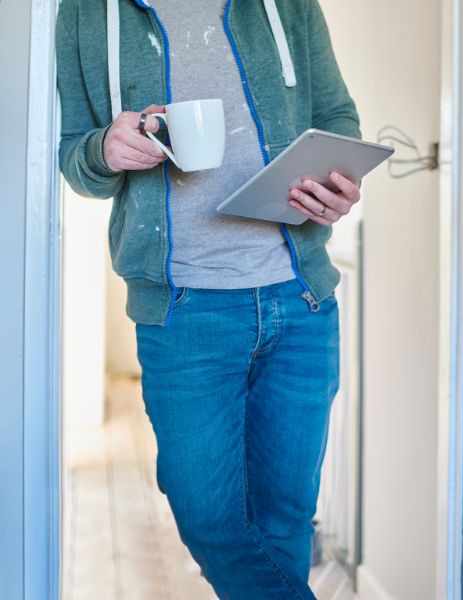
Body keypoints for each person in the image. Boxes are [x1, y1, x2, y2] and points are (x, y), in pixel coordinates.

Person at [56, 1, 360, 597]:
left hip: (301, 301)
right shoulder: (86, 14)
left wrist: (337, 184)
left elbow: (337, 118)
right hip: (184, 312)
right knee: (211, 520)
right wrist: (103, 151)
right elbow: (72, 155)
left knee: (285, 519)